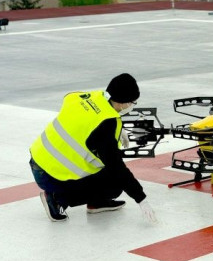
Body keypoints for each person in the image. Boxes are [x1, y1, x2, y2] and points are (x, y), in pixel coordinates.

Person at [28, 73, 157, 223]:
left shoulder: (88, 96)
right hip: (51, 176)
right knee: (115, 184)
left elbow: (72, 100)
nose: (131, 106)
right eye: (132, 102)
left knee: (105, 170)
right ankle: (57, 199)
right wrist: (141, 199)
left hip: (37, 160)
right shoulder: (106, 125)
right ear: (123, 103)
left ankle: (96, 203)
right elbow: (117, 168)